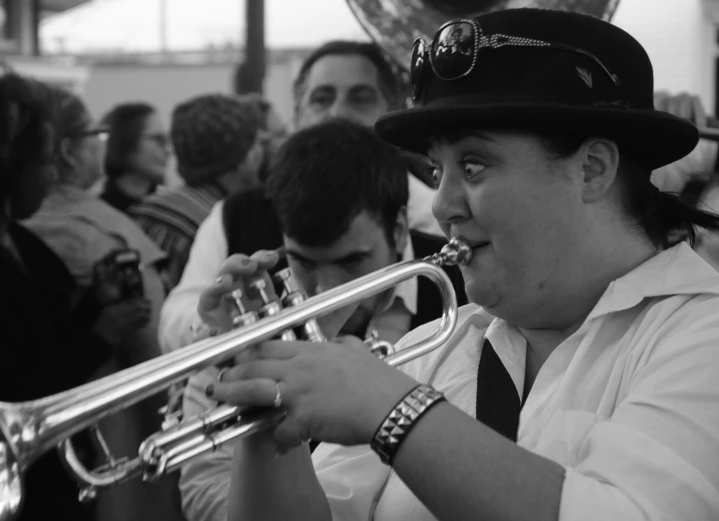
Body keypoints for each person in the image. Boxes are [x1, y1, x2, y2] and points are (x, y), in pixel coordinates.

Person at [191, 9, 719, 521]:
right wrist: (266, 409)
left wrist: (394, 409)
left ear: (592, 168)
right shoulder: (438, 348)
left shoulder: (700, 336)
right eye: (436, 169)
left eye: (473, 164)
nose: (442, 206)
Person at [176, 118, 468, 521]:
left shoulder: (464, 283)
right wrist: (251, 385)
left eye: (350, 261)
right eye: (304, 262)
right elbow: (204, 492)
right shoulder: (252, 310)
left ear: (399, 229)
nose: (324, 290)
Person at [0, 68, 140, 521]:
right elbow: (3, 388)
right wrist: (101, 338)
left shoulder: (18, 240)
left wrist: (93, 306)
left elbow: (45, 334)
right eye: (45, 160)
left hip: (51, 480)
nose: (53, 175)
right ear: (4, 167)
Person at [159, 40, 442, 353]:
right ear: (298, 112)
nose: (338, 113)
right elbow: (174, 319)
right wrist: (225, 325)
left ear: (391, 110)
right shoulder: (234, 214)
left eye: (360, 99)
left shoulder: (437, 214)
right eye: (321, 99)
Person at [22, 86, 185, 521]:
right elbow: (154, 350)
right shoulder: (103, 233)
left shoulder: (8, 222)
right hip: (111, 434)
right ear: (67, 152)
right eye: (95, 134)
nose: (102, 144)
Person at [129, 94, 264, 287]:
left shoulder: (145, 211)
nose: (262, 152)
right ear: (244, 157)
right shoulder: (223, 227)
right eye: (257, 142)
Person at [100, 102, 170, 213]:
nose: (168, 150)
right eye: (158, 139)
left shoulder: (168, 208)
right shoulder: (99, 210)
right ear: (126, 142)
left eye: (167, 140)